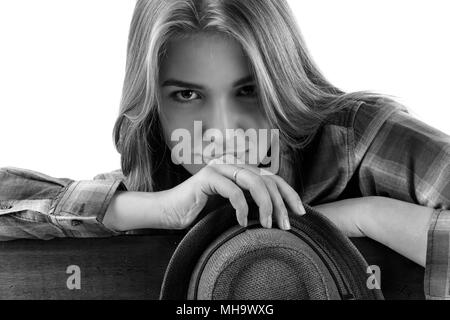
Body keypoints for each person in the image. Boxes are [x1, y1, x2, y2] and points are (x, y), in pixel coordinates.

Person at [0, 0, 449, 299]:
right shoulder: (159, 185)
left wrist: (358, 216)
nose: (222, 129)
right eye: (187, 96)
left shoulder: (355, 138)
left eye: (248, 90)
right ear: (153, 106)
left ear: (283, 81)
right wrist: (153, 211)